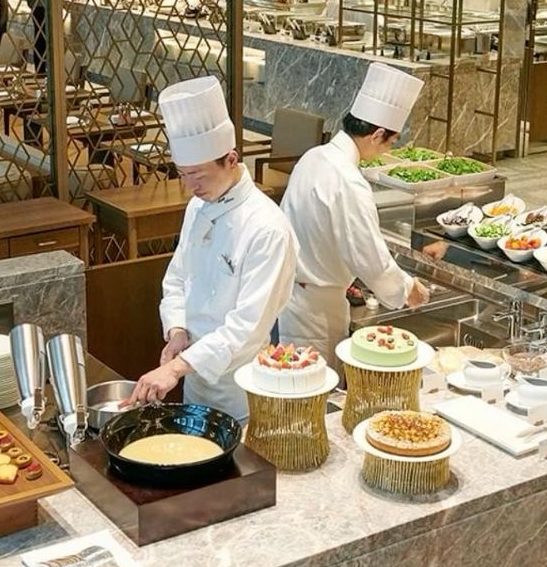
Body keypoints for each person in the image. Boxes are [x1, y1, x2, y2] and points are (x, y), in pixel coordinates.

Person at [131, 76, 296, 421]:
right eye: (182, 174)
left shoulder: (267, 228)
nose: (190, 186)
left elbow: (246, 328)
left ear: (231, 159)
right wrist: (177, 330)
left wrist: (175, 368)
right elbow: (177, 278)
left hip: (242, 390)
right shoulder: (198, 206)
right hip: (194, 376)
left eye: (199, 175)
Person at [277, 61, 430, 362]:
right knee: (316, 384)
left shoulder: (314, 156)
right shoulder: (348, 180)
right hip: (317, 308)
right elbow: (368, 255)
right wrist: (407, 288)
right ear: (377, 135)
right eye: (391, 142)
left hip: (292, 295)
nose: (388, 150)